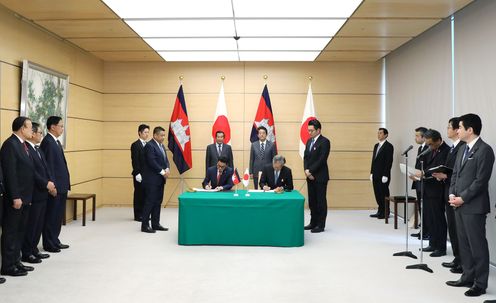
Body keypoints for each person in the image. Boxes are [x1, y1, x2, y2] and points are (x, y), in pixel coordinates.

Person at [446, 113, 494, 297]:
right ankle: (467, 276)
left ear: (470, 130)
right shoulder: (462, 149)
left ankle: (480, 284)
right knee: (464, 243)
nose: (457, 130)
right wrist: (452, 193)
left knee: (477, 245)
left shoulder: (485, 150)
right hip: (458, 203)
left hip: (473, 206)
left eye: (459, 127)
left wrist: (462, 198)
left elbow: (481, 181)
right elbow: (455, 175)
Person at [0, 116, 35, 277]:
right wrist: (15, 196)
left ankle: (16, 261)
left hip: (26, 197)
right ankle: (7, 265)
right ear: (22, 128)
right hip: (16, 198)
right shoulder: (10, 145)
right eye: (29, 127)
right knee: (11, 232)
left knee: (21, 230)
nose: (32, 131)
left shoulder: (23, 145)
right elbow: (10, 174)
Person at [432, 117, 465, 273]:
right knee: (452, 227)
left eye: (449, 127)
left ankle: (462, 261)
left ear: (457, 129)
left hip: (457, 194)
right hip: (448, 191)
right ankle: (457, 258)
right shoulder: (453, 147)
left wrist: (446, 176)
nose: (448, 129)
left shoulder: (463, 147)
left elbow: (461, 174)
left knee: (458, 229)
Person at [22, 122, 56, 264]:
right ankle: (27, 252)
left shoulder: (38, 149)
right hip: (35, 193)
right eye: (40, 133)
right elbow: (32, 172)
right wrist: (45, 183)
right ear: (33, 134)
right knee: (32, 224)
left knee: (39, 224)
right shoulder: (27, 149)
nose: (41, 135)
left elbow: (46, 168)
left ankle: (34, 249)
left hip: (44, 192)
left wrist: (51, 184)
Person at [40, 116, 71, 253]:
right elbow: (48, 167)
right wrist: (52, 186)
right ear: (52, 127)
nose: (62, 129)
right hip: (55, 187)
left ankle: (55, 240)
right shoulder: (47, 142)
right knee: (51, 216)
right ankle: (49, 243)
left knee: (57, 216)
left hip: (62, 185)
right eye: (61, 126)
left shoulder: (56, 142)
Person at [418, 129, 449, 257]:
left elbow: (443, 169)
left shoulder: (447, 150)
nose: (429, 146)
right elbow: (427, 167)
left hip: (437, 190)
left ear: (438, 140)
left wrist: (428, 173)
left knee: (438, 219)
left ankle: (440, 247)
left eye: (431, 144)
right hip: (428, 188)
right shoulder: (430, 150)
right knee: (430, 218)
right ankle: (432, 243)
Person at [141, 126, 170, 233]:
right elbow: (152, 162)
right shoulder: (150, 146)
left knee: (158, 202)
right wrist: (163, 172)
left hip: (160, 180)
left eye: (164, 135)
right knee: (150, 202)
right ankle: (144, 225)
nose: (163, 137)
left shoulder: (161, 146)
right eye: (161, 135)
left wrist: (167, 168)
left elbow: (165, 160)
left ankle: (155, 223)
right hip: (151, 180)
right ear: (155, 135)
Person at [303, 119, 331, 233]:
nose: (309, 133)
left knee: (320, 201)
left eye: (312, 131)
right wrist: (306, 170)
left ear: (318, 130)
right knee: (312, 201)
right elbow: (305, 158)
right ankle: (313, 222)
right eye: (308, 130)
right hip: (309, 175)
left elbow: (322, 159)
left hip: (320, 176)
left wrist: (311, 171)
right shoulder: (309, 141)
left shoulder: (325, 142)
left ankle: (320, 224)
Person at [369, 128, 394, 219]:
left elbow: (389, 162)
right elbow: (373, 160)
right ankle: (380, 211)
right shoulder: (376, 146)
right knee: (377, 193)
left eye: (380, 133)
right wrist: (371, 172)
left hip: (383, 175)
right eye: (378, 133)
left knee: (383, 193)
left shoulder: (389, 146)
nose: (378, 135)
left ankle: (386, 212)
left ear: (386, 135)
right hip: (375, 174)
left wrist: (386, 174)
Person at [410, 126, 430, 239]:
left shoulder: (428, 148)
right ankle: (423, 230)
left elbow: (426, 167)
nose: (415, 138)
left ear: (424, 137)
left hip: (425, 182)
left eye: (417, 136)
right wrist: (413, 175)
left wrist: (419, 176)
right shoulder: (420, 148)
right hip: (418, 181)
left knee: (425, 208)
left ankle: (427, 232)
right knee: (421, 208)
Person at [130, 124, 149, 221]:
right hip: (139, 174)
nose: (147, 134)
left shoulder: (148, 144)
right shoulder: (135, 145)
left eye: (148, 132)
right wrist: (137, 173)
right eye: (145, 132)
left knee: (145, 194)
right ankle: (137, 215)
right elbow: (135, 160)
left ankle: (144, 214)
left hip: (147, 174)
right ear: (139, 133)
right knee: (138, 194)